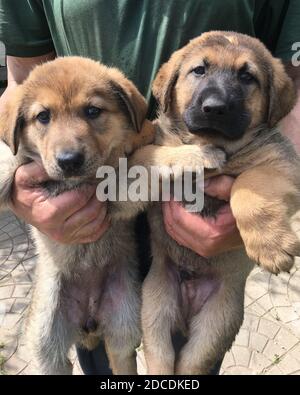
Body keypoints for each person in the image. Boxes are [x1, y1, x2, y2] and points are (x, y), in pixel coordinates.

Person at [0, 0, 299, 375]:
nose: (217, 98)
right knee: (108, 363)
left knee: (191, 367)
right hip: (90, 227)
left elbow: (292, 94)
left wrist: (258, 209)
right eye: (200, 71)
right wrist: (21, 193)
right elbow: (23, 82)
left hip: (213, 236)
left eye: (244, 76)